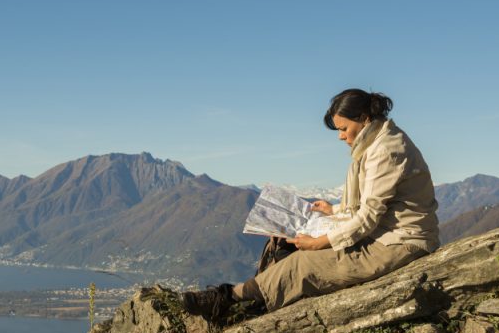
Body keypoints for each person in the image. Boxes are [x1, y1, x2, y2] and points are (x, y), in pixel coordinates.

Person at [181, 88, 440, 319]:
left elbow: (369, 216)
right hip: (384, 233)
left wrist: (318, 243)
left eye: (343, 128)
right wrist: (334, 210)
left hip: (400, 243)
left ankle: (228, 297)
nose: (340, 136)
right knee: (284, 242)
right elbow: (375, 202)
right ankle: (258, 299)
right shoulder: (377, 141)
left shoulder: (385, 150)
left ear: (364, 118)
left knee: (303, 262)